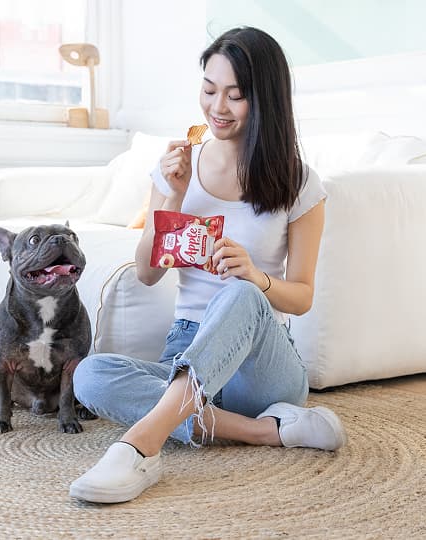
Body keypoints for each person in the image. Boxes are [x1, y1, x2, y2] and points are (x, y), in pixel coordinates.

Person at [69, 26, 347, 504]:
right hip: (187, 345)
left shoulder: (298, 182)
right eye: (209, 89)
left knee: (239, 293)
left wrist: (256, 278)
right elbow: (147, 273)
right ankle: (268, 433)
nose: (217, 107)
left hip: (261, 361)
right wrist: (172, 200)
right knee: (89, 376)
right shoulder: (177, 168)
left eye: (235, 96)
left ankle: (141, 445)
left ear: (266, 101)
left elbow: (301, 296)